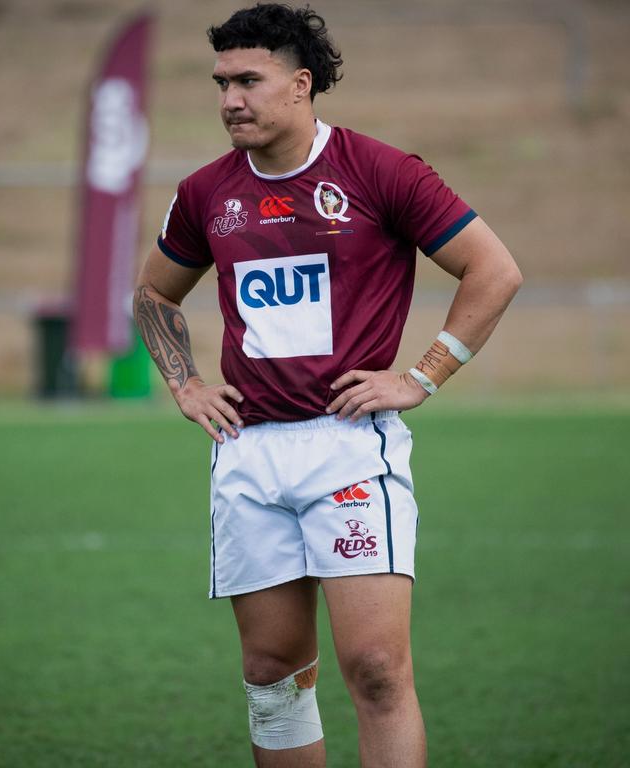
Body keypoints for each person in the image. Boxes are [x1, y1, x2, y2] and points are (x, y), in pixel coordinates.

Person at [133, 4, 522, 767]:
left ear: (301, 85)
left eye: (249, 80)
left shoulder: (382, 172)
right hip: (248, 454)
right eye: (220, 82)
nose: (229, 99)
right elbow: (153, 295)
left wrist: (422, 376)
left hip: (349, 449)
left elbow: (494, 270)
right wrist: (185, 385)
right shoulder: (206, 192)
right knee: (271, 675)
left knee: (376, 671)